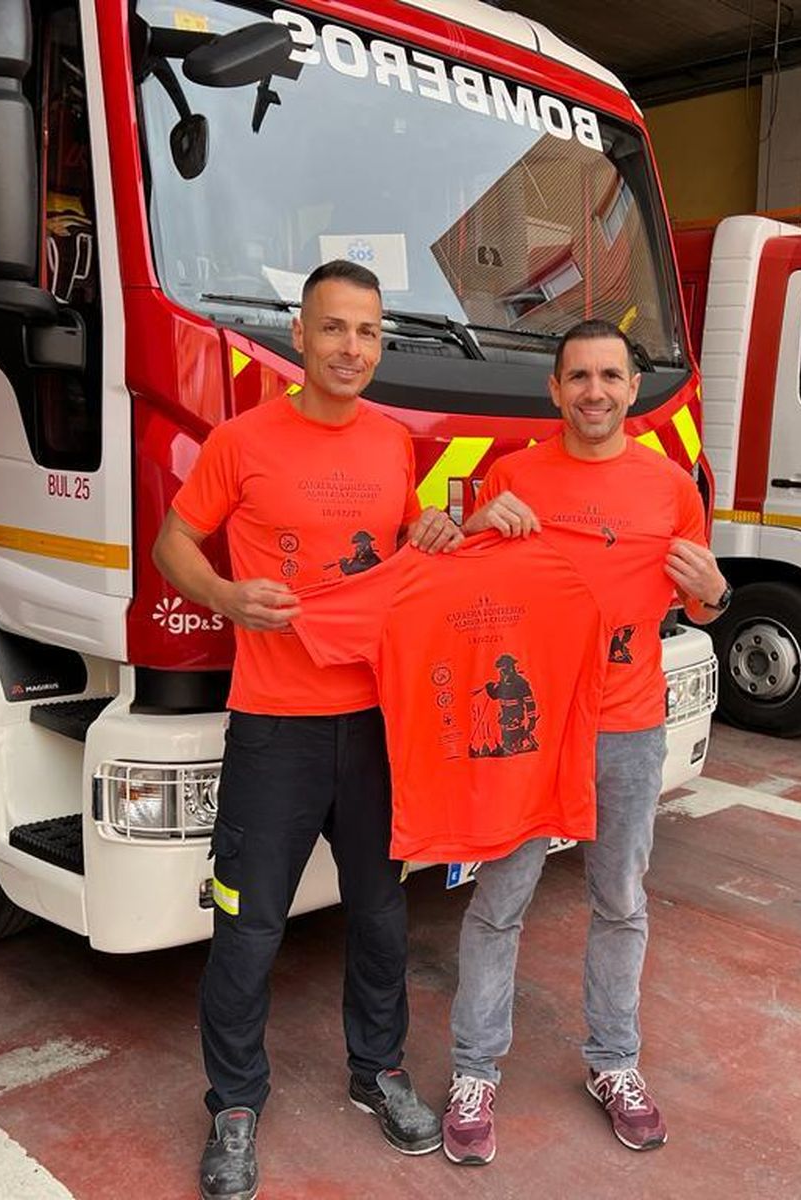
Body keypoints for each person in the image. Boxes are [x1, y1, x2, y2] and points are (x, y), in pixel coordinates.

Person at [152, 259, 462, 1200]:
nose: (351, 348)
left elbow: (407, 554)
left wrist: (439, 534)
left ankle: (380, 1073)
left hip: (374, 724)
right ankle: (236, 1104)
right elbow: (172, 545)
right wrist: (226, 597)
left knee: (378, 915)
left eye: (368, 332)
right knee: (249, 927)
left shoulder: (394, 443)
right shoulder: (243, 441)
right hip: (275, 729)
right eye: (334, 329)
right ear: (300, 335)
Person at [441, 320, 731, 1166]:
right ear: (554, 390)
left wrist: (718, 594)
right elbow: (462, 595)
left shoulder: (671, 487)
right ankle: (473, 1073)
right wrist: (467, 525)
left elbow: (703, 599)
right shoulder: (512, 475)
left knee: (621, 902)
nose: (594, 391)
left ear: (632, 387)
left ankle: (614, 1064)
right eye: (578, 377)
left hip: (629, 724)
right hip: (530, 729)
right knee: (500, 902)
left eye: (609, 376)